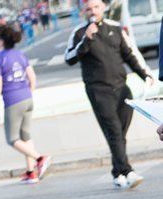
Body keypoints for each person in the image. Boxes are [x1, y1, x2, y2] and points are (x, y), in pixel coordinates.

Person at [65, 0, 155, 188]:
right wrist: (86, 40)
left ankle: (117, 172)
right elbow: (70, 58)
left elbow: (129, 54)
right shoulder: (79, 33)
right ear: (84, 11)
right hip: (98, 91)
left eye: (96, 7)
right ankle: (128, 171)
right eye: (89, 8)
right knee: (114, 131)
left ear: (103, 8)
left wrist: (144, 74)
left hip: (122, 88)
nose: (93, 11)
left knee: (120, 133)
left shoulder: (115, 28)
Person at [0, 24, 51, 184]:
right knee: (25, 136)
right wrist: (27, 94)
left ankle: (40, 158)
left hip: (12, 101)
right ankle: (31, 173)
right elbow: (32, 78)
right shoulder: (20, 55)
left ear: (2, 41)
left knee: (12, 139)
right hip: (27, 98)